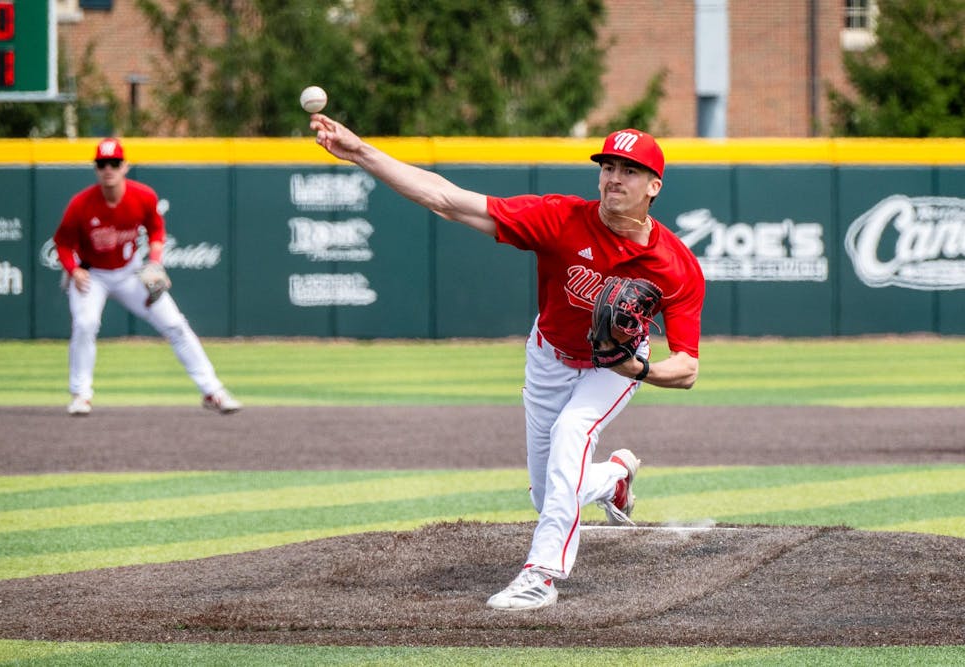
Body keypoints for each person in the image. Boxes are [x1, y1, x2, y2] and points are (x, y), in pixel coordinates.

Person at [310, 115, 704, 610]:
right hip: (548, 358)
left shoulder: (676, 266)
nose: (613, 177)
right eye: (607, 166)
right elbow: (447, 200)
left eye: (628, 169)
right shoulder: (561, 218)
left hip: (613, 366)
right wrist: (361, 151)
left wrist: (636, 370)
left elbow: (686, 367)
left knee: (571, 436)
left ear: (654, 186)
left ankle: (540, 575)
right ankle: (615, 477)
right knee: (549, 495)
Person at [53, 137, 242, 417]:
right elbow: (63, 242)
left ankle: (213, 391)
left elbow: (156, 229)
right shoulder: (81, 204)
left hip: (131, 272)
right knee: (85, 323)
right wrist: (73, 269)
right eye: (103, 164)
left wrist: (155, 263)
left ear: (125, 166)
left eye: (114, 163)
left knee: (176, 324)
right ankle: (81, 395)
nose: (109, 169)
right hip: (93, 275)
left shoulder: (143, 196)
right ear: (96, 168)